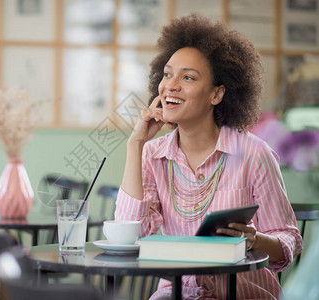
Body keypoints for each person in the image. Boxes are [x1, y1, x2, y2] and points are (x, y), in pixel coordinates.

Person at [115, 13, 303, 299]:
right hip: (176, 293)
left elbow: (289, 241)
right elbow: (129, 238)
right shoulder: (152, 154)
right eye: (167, 74)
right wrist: (135, 143)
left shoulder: (254, 153)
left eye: (188, 77)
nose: (171, 85)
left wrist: (253, 239)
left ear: (216, 94)